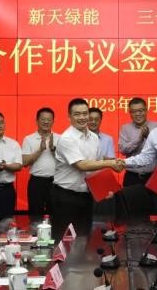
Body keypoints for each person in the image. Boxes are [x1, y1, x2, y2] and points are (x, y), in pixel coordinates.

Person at [51, 98, 123, 236]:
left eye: (85, 113)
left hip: (86, 196)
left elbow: (96, 165)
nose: (82, 117)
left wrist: (105, 188)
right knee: (62, 239)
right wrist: (110, 163)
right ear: (69, 116)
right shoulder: (67, 138)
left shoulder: (94, 138)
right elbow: (82, 165)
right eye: (77, 114)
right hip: (65, 197)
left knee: (83, 237)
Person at [22, 107, 60, 217]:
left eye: (49, 119)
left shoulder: (60, 138)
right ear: (37, 120)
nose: (46, 122)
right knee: (35, 215)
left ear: (53, 121)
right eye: (43, 119)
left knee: (56, 215)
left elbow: (65, 163)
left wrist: (53, 150)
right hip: (36, 182)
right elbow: (25, 162)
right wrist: (40, 150)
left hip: (56, 182)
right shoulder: (28, 139)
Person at [119, 97, 157, 186]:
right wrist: (139, 140)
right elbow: (122, 150)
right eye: (134, 111)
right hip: (132, 177)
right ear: (130, 113)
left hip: (153, 176)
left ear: (146, 110)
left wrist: (149, 137)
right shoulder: (125, 128)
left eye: (141, 110)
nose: (138, 114)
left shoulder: (156, 126)